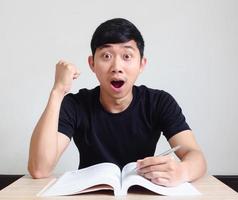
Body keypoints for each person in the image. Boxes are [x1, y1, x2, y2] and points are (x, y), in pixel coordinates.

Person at [28, 18, 207, 187]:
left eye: (127, 56)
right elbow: (39, 169)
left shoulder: (159, 102)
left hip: (141, 193)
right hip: (91, 195)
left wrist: (181, 171)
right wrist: (58, 91)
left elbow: (196, 156)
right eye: (106, 56)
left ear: (142, 64)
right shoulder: (75, 104)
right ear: (92, 63)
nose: (116, 67)